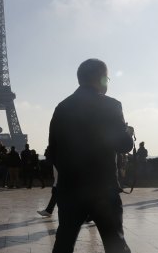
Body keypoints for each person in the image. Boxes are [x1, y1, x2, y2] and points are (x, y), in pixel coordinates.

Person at [50, 58, 134, 253]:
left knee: (63, 243)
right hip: (104, 189)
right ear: (102, 79)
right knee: (116, 244)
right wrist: (128, 134)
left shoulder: (62, 107)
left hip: (70, 189)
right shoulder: (111, 105)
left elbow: (52, 151)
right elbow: (124, 145)